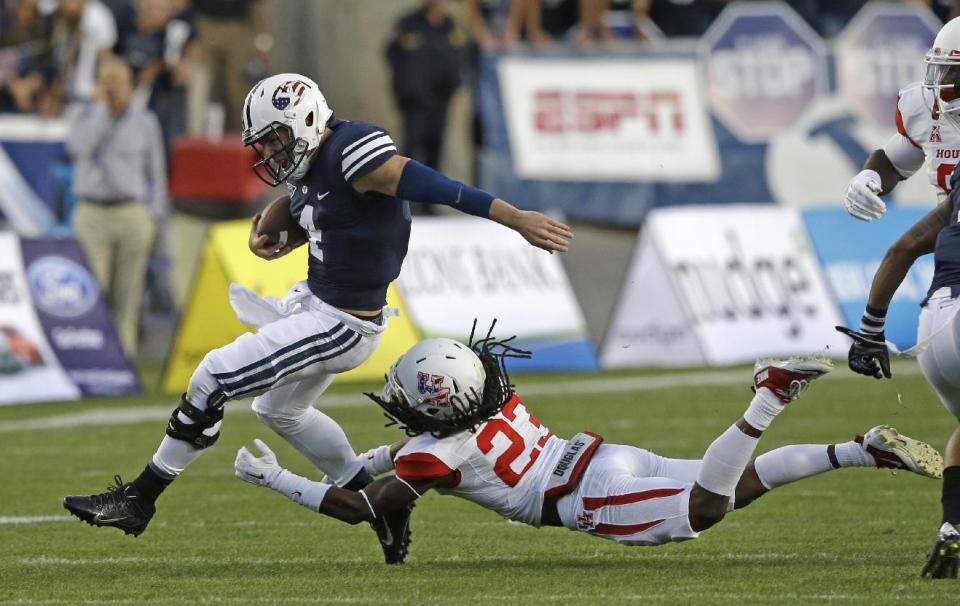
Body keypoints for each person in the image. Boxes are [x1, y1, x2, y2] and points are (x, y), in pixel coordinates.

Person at [62, 72, 573, 564]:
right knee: (278, 411)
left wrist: (514, 217)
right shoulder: (314, 167)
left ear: (306, 119)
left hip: (341, 322)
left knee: (213, 375)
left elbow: (429, 183)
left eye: (275, 138)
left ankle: (140, 498)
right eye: (262, 143)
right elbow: (327, 208)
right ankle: (379, 506)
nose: (268, 152)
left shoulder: (355, 151)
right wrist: (277, 225)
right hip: (321, 307)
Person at [233, 329, 941, 563]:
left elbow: (364, 504)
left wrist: (276, 481)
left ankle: (766, 396)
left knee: (707, 509)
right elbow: (386, 476)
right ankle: (860, 450)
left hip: (584, 496)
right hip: (599, 457)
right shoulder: (492, 393)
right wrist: (385, 501)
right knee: (736, 482)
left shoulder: (435, 453)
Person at [837, 15, 960, 579]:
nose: (945, 88)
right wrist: (869, 177)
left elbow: (905, 246)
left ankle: (954, 527)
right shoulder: (926, 107)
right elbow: (893, 157)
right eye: (942, 74)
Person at [66, 56, 166, 357]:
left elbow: (156, 172)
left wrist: (153, 216)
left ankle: (122, 356)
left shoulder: (146, 121)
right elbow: (76, 150)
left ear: (130, 85)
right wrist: (103, 114)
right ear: (97, 84)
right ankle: (91, 353)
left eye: (118, 82)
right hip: (91, 211)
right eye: (106, 81)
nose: (112, 88)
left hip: (131, 211)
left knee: (129, 290)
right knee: (92, 285)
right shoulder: (83, 115)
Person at [385, 0, 468, 178]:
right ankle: (405, 200)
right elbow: (391, 53)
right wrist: (407, 84)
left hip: (441, 99)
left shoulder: (450, 25)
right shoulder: (408, 23)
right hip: (416, 101)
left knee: (435, 149)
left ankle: (429, 202)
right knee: (411, 150)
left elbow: (460, 54)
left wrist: (453, 82)